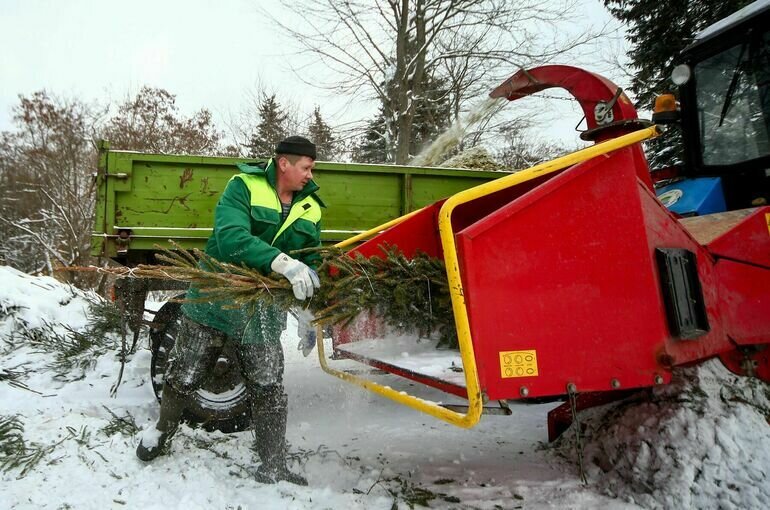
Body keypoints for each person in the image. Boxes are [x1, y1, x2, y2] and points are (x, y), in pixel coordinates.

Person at [136, 136, 324, 486]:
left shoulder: (311, 207)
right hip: (215, 298)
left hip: (262, 310)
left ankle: (273, 464)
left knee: (269, 385)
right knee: (185, 373)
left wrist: (308, 311)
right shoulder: (244, 186)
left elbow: (312, 263)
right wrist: (282, 262)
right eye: (306, 168)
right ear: (284, 163)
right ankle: (161, 431)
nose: (310, 177)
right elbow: (230, 237)